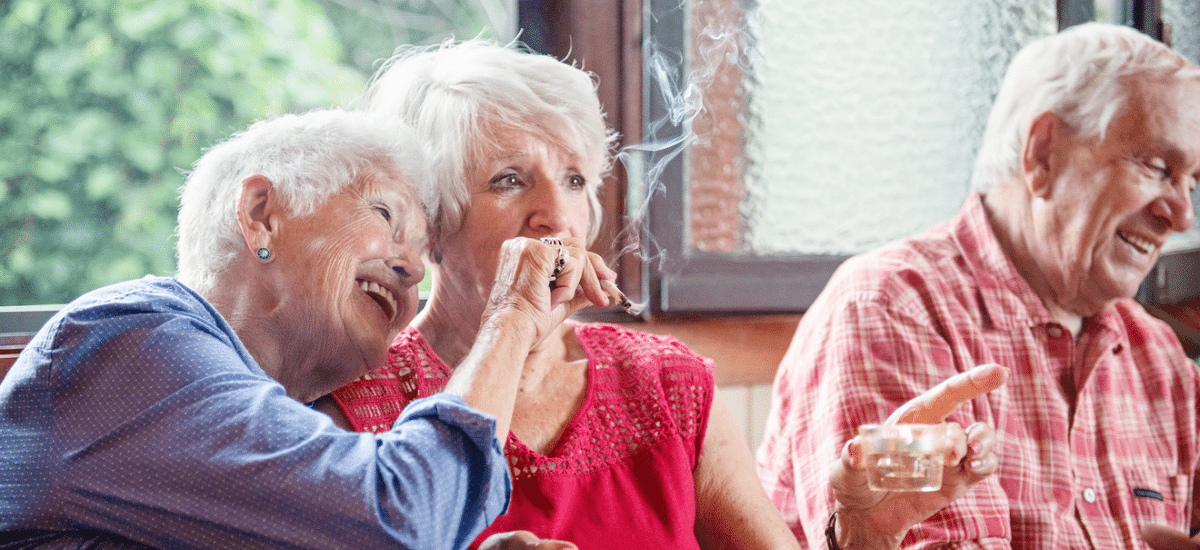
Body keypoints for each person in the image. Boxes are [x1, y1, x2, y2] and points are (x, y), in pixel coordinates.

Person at [0, 108, 611, 549]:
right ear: (262, 215)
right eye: (384, 215)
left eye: (421, 259)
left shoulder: (255, 415)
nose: (407, 271)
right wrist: (510, 315)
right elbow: (400, 521)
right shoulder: (129, 342)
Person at [756, 22, 1200, 549]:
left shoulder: (1158, 358)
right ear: (1042, 154)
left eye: (1193, 182)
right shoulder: (891, 308)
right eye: (1157, 167)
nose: (1182, 215)